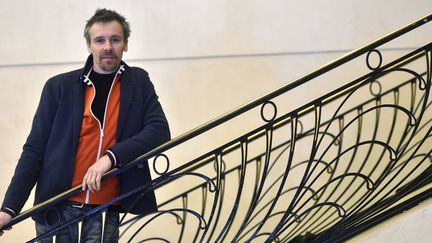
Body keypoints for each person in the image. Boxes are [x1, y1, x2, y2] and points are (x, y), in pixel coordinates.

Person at [0, 8, 170, 242]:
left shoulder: (138, 82)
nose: (107, 46)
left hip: (105, 208)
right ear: (89, 45)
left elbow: (159, 130)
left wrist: (110, 158)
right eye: (99, 40)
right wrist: (9, 209)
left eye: (115, 39)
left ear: (126, 44)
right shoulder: (58, 87)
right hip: (57, 207)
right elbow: (34, 150)